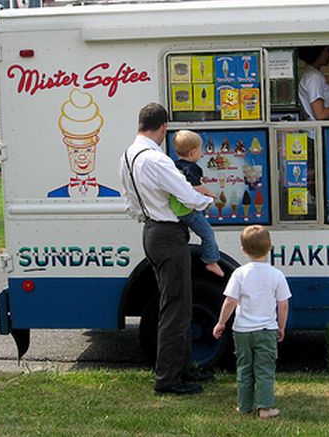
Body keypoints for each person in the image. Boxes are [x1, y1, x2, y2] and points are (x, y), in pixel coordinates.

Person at [119, 102, 215, 395]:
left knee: (178, 304)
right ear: (162, 127)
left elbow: (130, 203)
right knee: (176, 308)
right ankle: (169, 379)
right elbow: (187, 194)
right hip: (168, 233)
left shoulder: (127, 156)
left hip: (151, 229)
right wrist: (208, 201)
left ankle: (182, 369)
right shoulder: (156, 159)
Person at [213, 225, 291, 418]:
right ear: (270, 248)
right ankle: (265, 408)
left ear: (243, 250)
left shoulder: (239, 273)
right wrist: (281, 326)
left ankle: (243, 406)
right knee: (264, 369)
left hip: (242, 332)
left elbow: (230, 301)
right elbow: (283, 305)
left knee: (244, 369)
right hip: (266, 331)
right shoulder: (276, 275)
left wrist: (221, 322)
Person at [171, 130, 225, 278]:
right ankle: (211, 260)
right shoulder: (192, 168)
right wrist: (209, 193)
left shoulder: (174, 166)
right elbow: (195, 186)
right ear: (193, 152)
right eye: (200, 150)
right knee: (207, 234)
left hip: (176, 210)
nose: (201, 153)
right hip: (187, 211)